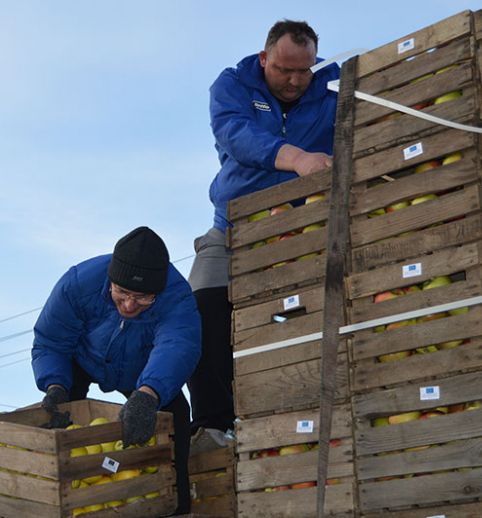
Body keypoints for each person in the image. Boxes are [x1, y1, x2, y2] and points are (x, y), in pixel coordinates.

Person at [187, 20, 340, 454]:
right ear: (264, 59)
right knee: (198, 308)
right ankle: (214, 424)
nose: (294, 81)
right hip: (234, 226)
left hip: (304, 227)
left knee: (294, 317)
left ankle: (292, 414)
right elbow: (237, 136)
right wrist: (297, 159)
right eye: (284, 70)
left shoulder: (334, 86)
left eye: (304, 71)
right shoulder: (233, 84)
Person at [31, 226, 202, 515]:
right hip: (83, 357)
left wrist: (149, 394)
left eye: (144, 298)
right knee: (61, 414)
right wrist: (55, 385)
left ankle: (176, 505)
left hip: (141, 365)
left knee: (175, 418)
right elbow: (52, 341)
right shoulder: (77, 283)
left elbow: (178, 344)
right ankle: (62, 499)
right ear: (111, 279)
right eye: (121, 292)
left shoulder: (176, 296)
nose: (130, 304)